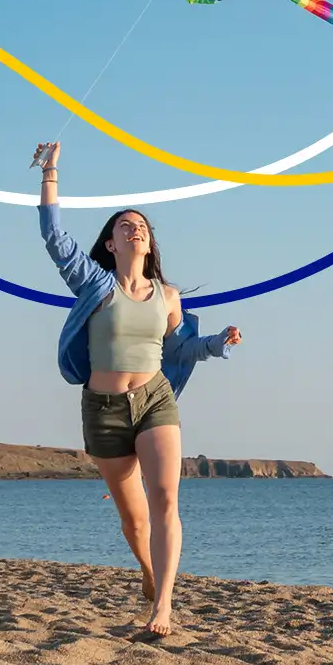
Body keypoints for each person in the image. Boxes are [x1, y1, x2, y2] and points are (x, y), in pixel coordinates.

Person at [33, 141, 242, 636]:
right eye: (126, 225)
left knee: (166, 500)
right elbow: (53, 236)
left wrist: (218, 342)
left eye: (142, 227)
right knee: (134, 520)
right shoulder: (94, 284)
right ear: (111, 243)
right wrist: (50, 171)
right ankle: (149, 573)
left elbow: (181, 349)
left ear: (148, 244)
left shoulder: (167, 297)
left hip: (154, 401)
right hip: (103, 410)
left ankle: (164, 606)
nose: (135, 229)